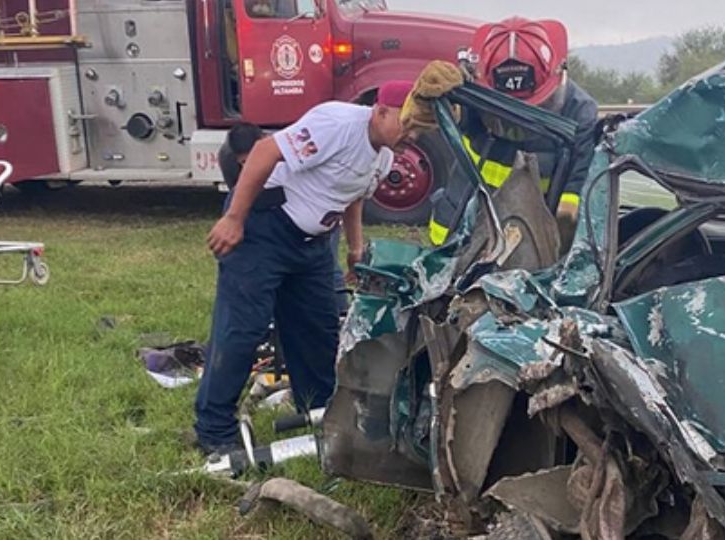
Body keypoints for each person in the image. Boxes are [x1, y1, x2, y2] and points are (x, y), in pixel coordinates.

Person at [194, 80, 416, 455]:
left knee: (318, 330)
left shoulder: (384, 154)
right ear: (381, 111)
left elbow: (353, 196)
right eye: (407, 124)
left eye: (418, 129)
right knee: (242, 330)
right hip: (265, 225)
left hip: (311, 245)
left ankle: (318, 415)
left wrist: (355, 249)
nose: (412, 135)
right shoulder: (337, 123)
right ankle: (214, 432)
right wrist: (234, 219)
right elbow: (265, 152)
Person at [427, 17, 599, 249]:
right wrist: (436, 100)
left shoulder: (579, 110)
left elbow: (580, 173)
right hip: (463, 212)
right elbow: (444, 120)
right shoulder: (471, 93)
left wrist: (567, 217)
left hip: (534, 223)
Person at [218, 123, 348, 314]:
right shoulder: (227, 158)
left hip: (315, 209)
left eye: (250, 160)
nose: (247, 167)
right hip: (274, 215)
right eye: (243, 163)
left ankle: (338, 311)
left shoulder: (292, 148)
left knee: (327, 262)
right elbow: (241, 197)